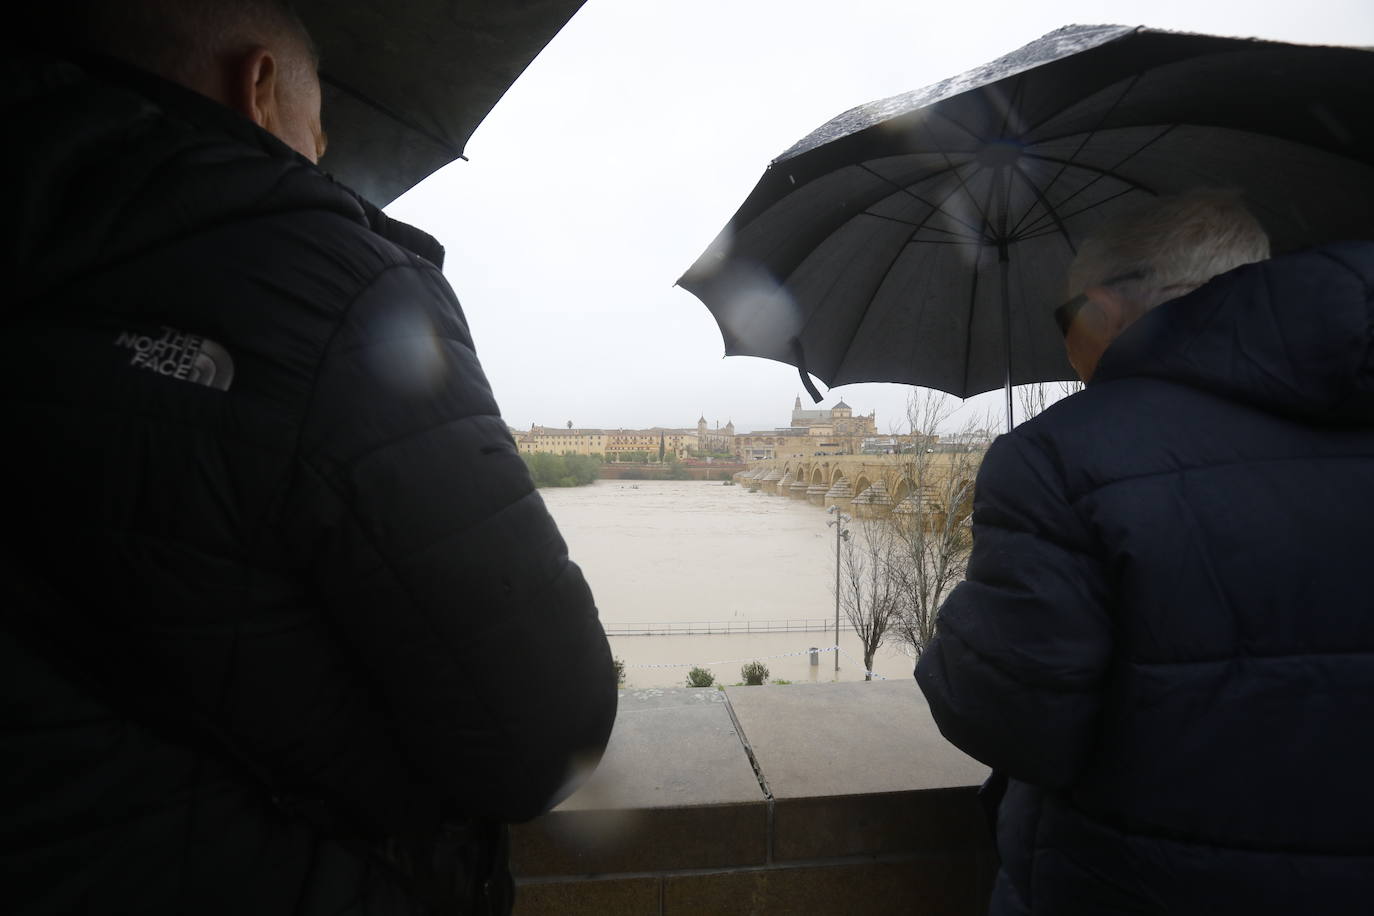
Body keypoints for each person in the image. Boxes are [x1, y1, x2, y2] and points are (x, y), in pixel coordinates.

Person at [2, 2, 617, 913]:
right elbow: (543, 737)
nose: (322, 154)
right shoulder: (326, 285)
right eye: (317, 124)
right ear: (256, 87)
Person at [915, 190, 1374, 915]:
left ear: (1105, 308)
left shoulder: (1062, 458)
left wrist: (965, 628)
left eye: (1065, 321)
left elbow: (1009, 720)